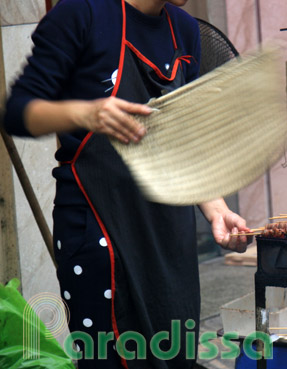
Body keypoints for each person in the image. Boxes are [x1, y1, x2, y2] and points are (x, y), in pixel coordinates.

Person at [2, 0, 252, 368]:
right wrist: (85, 112)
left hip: (169, 238)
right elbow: (19, 112)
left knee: (174, 357)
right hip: (99, 233)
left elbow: (182, 141)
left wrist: (216, 209)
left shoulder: (184, 31)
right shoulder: (82, 15)